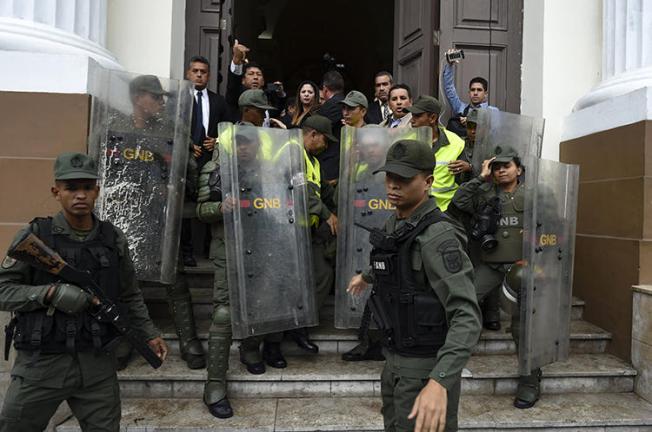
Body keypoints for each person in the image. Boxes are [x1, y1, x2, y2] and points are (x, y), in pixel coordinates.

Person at [0, 152, 168, 431]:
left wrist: (149, 333)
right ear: (57, 192)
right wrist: (49, 294)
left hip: (96, 363)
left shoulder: (113, 238)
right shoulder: (35, 237)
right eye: (71, 188)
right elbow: (3, 290)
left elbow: (129, 294)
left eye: (87, 188)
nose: (80, 195)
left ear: (97, 191)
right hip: (42, 364)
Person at [347, 139, 481, 432]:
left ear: (428, 181)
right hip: (394, 361)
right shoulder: (395, 224)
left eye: (404, 179)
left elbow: (467, 317)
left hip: (424, 371)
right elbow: (397, 262)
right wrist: (366, 276)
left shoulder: (439, 236)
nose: (393, 185)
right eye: (390, 177)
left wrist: (439, 382)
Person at [196, 89, 282, 419]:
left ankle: (250, 351)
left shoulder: (269, 169)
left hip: (260, 244)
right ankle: (214, 384)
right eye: (241, 142)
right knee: (222, 315)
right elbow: (201, 210)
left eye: (252, 142)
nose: (247, 146)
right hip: (227, 247)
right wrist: (221, 206)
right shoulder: (218, 167)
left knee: (259, 302)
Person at [450, 145, 541, 409]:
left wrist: (535, 252)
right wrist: (480, 176)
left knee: (522, 326)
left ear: (519, 170)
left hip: (522, 267)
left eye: (506, 166)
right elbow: (459, 202)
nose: (501, 170)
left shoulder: (533, 194)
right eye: (496, 166)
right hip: (490, 265)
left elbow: (553, 228)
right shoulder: (485, 192)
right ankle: (443, 364)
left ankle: (529, 380)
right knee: (463, 302)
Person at [287, 115, 339, 353]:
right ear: (313, 134)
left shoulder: (313, 161)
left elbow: (322, 190)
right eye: (324, 140)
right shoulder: (292, 151)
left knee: (321, 274)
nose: (326, 145)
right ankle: (293, 327)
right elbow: (301, 191)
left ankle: (300, 324)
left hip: (306, 230)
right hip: (287, 231)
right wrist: (327, 214)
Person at [181, 55, 229, 268]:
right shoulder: (179, 99)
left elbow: (230, 127)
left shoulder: (218, 100)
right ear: (188, 73)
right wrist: (189, 145)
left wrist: (217, 141)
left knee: (213, 202)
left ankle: (212, 249)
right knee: (185, 208)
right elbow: (172, 127)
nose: (199, 74)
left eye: (203, 72)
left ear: (209, 75)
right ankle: (187, 252)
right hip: (186, 162)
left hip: (211, 163)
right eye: (195, 71)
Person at [407, 95, 467, 212]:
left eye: (418, 116)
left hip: (446, 211)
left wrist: (468, 168)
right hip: (414, 209)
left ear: (432, 118)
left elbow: (464, 183)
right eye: (412, 115)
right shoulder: (406, 142)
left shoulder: (456, 143)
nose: (412, 120)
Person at [441, 49, 498, 137]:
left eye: (479, 90)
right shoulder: (461, 108)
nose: (475, 93)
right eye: (472, 90)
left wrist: (471, 121)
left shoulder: (492, 111)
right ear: (469, 92)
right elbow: (449, 88)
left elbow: (495, 133)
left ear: (485, 93)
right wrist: (449, 65)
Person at [226, 39, 286, 122]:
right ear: (243, 80)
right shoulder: (237, 95)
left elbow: (277, 110)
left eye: (259, 74)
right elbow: (233, 84)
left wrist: (280, 94)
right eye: (251, 74)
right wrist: (237, 61)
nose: (255, 77)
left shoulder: (266, 98)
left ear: (263, 81)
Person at [315, 70, 345, 182]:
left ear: (325, 89)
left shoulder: (332, 106)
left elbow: (316, 128)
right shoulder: (346, 103)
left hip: (330, 164)